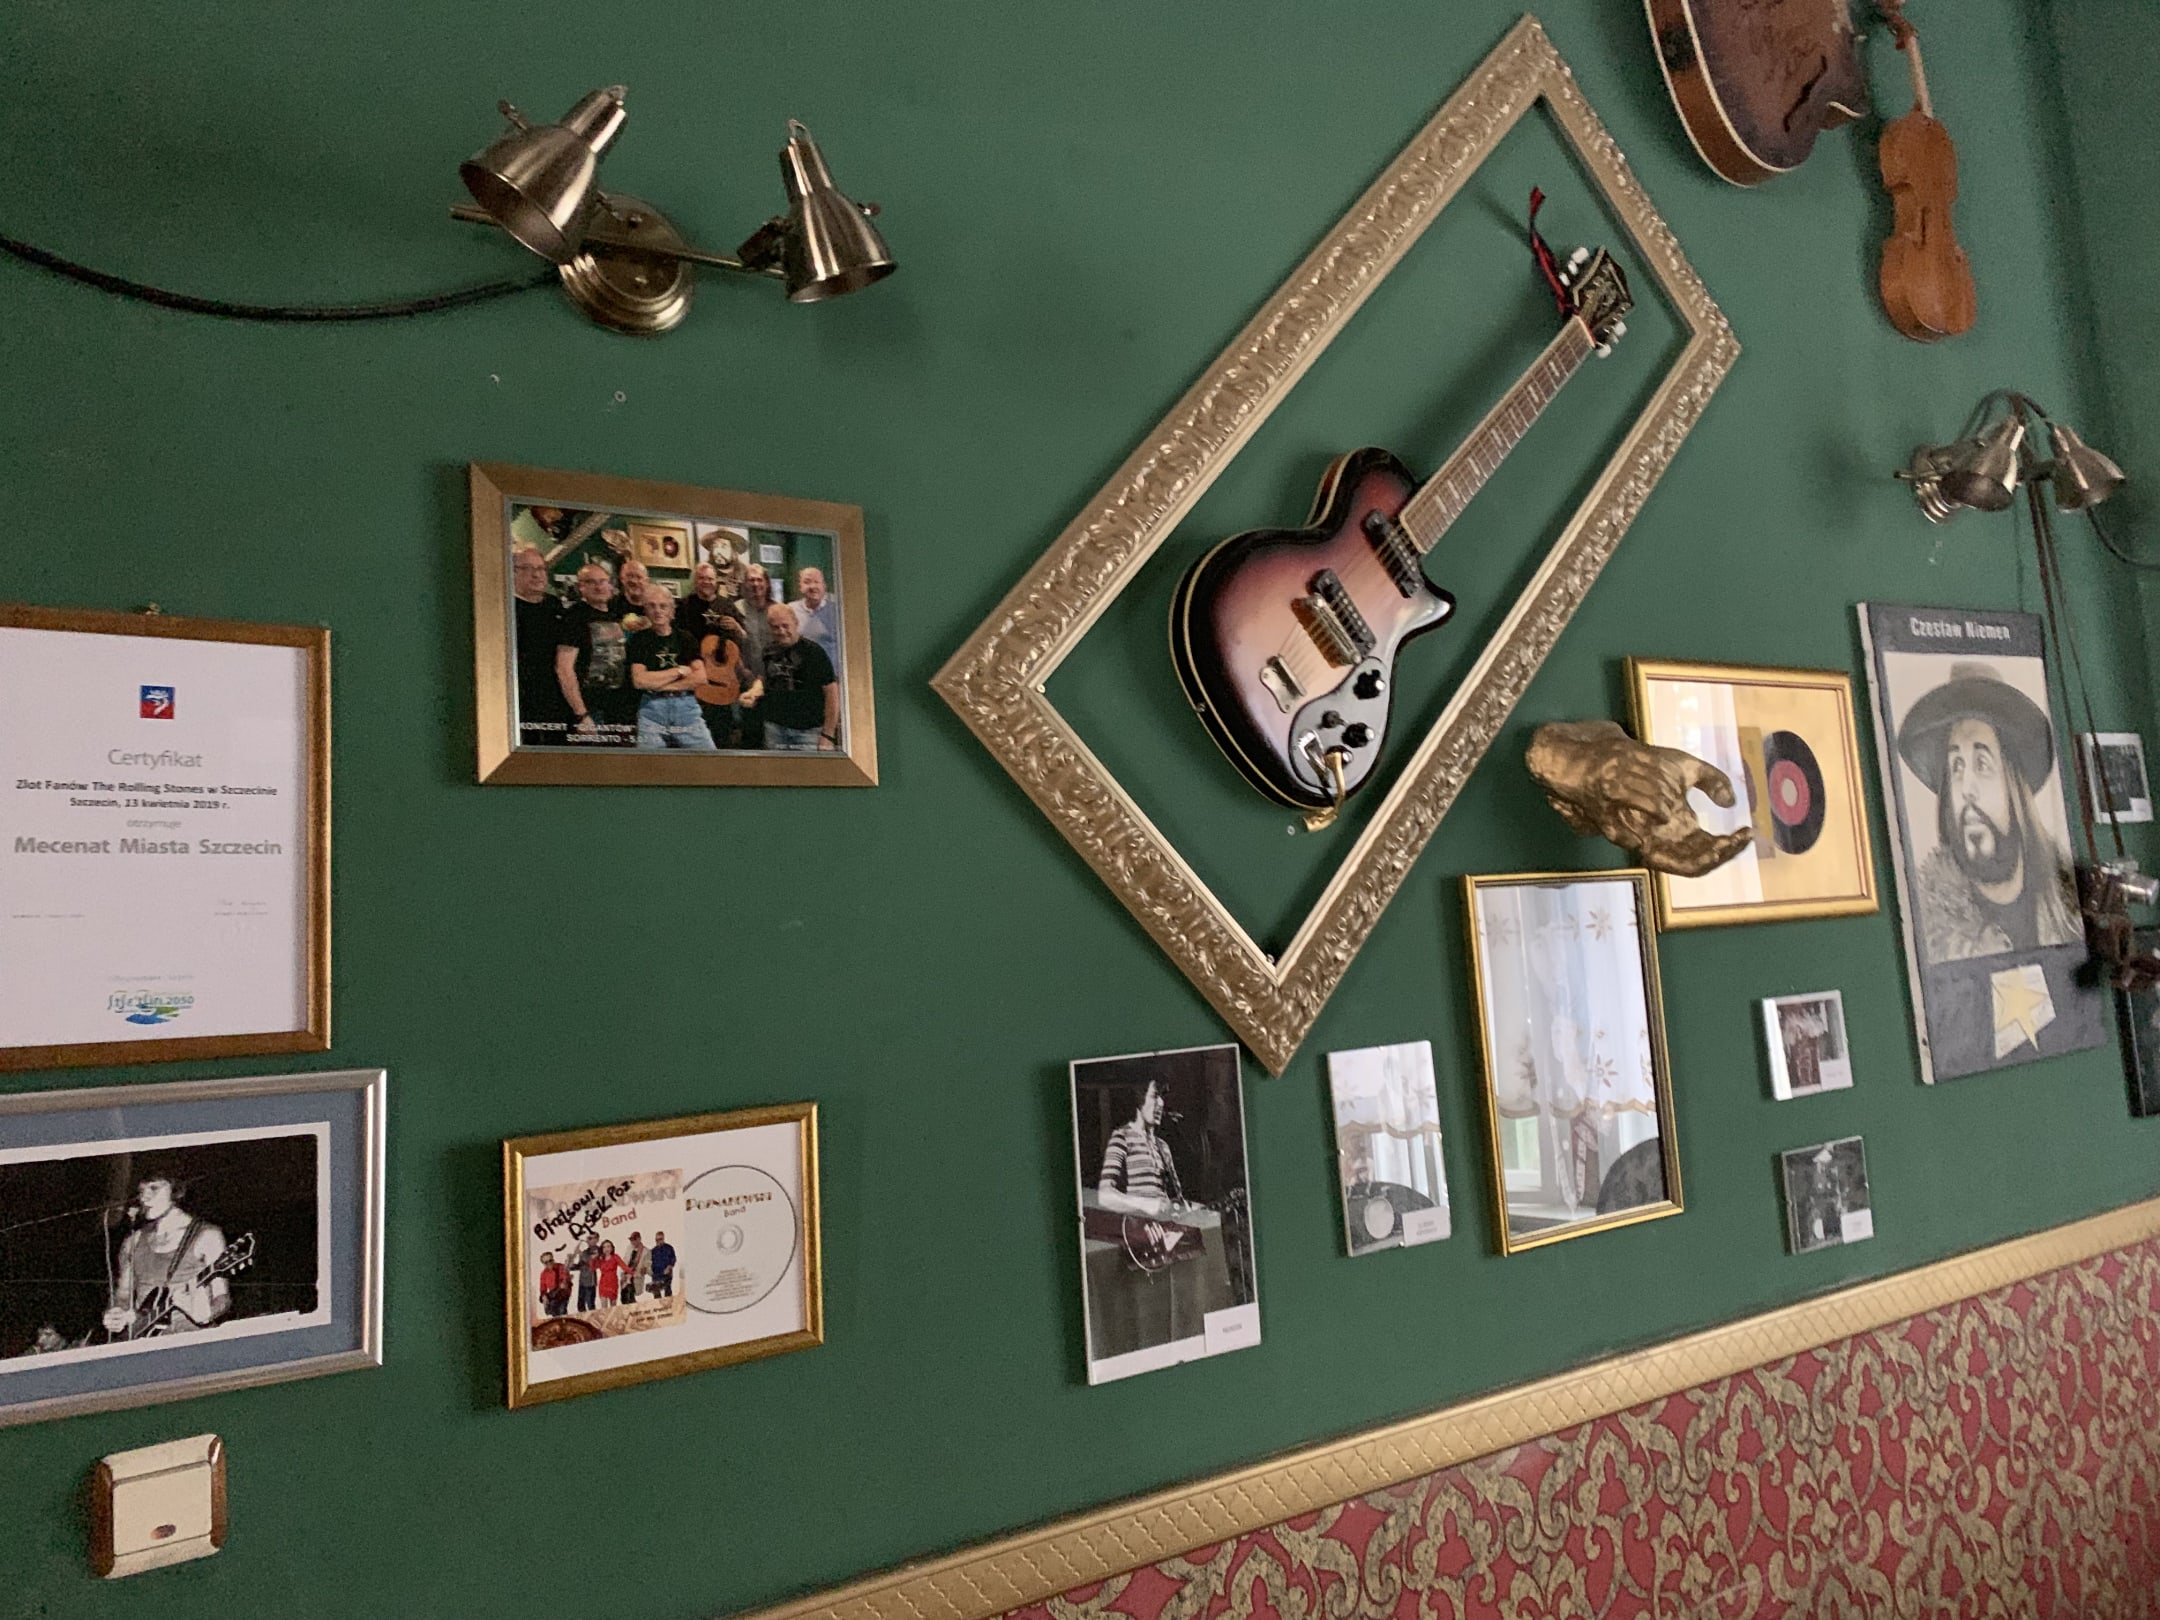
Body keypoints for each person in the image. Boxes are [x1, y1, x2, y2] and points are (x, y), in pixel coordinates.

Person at [1896, 662, 2081, 962]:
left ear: (2014, 786)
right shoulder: (1935, 931)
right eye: (1956, 767)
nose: (1967, 789)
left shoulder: (2066, 910)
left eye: (1982, 764)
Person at [101, 1169, 229, 1339]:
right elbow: (123, 1293)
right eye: (141, 1191)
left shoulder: (207, 1235)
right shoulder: (134, 1240)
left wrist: (207, 1314)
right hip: (143, 1338)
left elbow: (222, 1297)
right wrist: (117, 1313)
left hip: (190, 1337)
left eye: (154, 1188)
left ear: (176, 1191)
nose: (144, 1198)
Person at [626, 586, 718, 750]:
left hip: (687, 709)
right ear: (645, 610)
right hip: (651, 711)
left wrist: (659, 684)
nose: (658, 611)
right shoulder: (639, 640)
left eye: (663, 606)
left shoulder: (685, 638)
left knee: (708, 759)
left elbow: (700, 677)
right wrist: (679, 671)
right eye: (652, 606)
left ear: (671, 610)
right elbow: (640, 681)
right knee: (648, 763)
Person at [556, 562, 637, 746]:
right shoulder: (574, 617)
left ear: (610, 584)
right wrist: (581, 714)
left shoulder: (617, 614)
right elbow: (564, 669)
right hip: (591, 711)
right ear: (581, 587)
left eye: (603, 581)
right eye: (591, 582)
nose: (599, 587)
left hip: (620, 709)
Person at [745, 602, 839, 752]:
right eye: (775, 627)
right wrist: (754, 691)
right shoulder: (768, 651)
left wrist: (828, 735)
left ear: (795, 623)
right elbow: (764, 678)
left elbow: (831, 693)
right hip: (774, 728)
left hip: (808, 731)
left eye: (785, 625)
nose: (781, 631)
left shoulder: (814, 653)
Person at [678, 563, 747, 745]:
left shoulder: (727, 604)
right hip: (695, 674)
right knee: (695, 728)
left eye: (710, 578)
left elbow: (744, 636)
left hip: (723, 676)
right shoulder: (684, 605)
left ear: (716, 581)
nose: (706, 582)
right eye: (702, 578)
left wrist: (736, 626)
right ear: (695, 581)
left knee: (724, 728)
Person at [511, 545, 571, 746]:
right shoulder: (506, 606)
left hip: (556, 697)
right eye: (528, 568)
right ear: (513, 572)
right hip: (522, 697)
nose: (536, 575)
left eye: (540, 569)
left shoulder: (554, 605)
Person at [1096, 1079, 1183, 1217]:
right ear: (1139, 1098)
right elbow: (1105, 1196)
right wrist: (1144, 1204)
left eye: (1162, 1096)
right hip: (1137, 1225)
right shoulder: (1122, 1137)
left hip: (1162, 1226)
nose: (1161, 1103)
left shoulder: (1163, 1147)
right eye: (1155, 1096)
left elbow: (1177, 1200)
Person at [730, 565, 779, 748]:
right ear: (745, 584)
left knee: (773, 730)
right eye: (751, 580)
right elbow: (730, 645)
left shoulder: (776, 609)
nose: (755, 584)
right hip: (745, 677)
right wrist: (743, 671)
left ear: (767, 583)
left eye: (759, 579)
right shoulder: (736, 608)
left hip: (774, 679)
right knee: (750, 731)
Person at [790, 566, 839, 661]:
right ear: (800, 586)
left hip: (830, 668)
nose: (812, 586)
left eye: (816, 582)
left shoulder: (836, 611)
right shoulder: (791, 610)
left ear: (824, 586)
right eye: (807, 582)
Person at [537, 1251, 571, 1318]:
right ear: (543, 1263)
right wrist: (543, 1296)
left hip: (563, 1294)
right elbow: (542, 1287)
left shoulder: (561, 1267)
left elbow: (566, 1278)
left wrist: (565, 1283)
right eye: (546, 1262)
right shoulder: (544, 1274)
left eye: (550, 1260)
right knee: (554, 1313)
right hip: (553, 1295)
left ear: (553, 1259)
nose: (549, 1263)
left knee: (562, 1311)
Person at [594, 1240, 628, 1308]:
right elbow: (593, 1267)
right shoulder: (601, 1259)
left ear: (612, 1248)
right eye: (604, 1247)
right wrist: (595, 1257)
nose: (606, 1249)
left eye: (608, 1246)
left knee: (613, 1307)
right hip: (603, 1283)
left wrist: (632, 1273)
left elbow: (624, 1267)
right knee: (604, 1307)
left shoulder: (615, 1257)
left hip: (613, 1283)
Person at [574, 1240, 600, 1314]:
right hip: (582, 1281)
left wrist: (580, 1253)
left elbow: (591, 1261)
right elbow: (580, 1265)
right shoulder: (584, 1252)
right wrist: (570, 1265)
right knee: (580, 1304)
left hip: (590, 1282)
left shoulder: (597, 1250)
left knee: (590, 1304)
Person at [648, 1231, 676, 1299]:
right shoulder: (653, 1251)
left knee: (668, 1292)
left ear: (663, 1238)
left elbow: (673, 1259)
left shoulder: (669, 1248)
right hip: (656, 1275)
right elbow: (649, 1263)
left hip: (666, 1275)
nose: (658, 1241)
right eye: (657, 1240)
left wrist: (669, 1267)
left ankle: (669, 1303)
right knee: (656, 1294)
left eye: (660, 1239)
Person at [624, 1232, 648, 1305]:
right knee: (626, 1296)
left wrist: (644, 1269)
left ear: (639, 1239)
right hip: (627, 1275)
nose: (633, 1241)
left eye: (634, 1239)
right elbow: (625, 1260)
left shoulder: (645, 1251)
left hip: (636, 1275)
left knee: (634, 1294)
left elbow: (647, 1264)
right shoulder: (629, 1249)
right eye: (631, 1240)